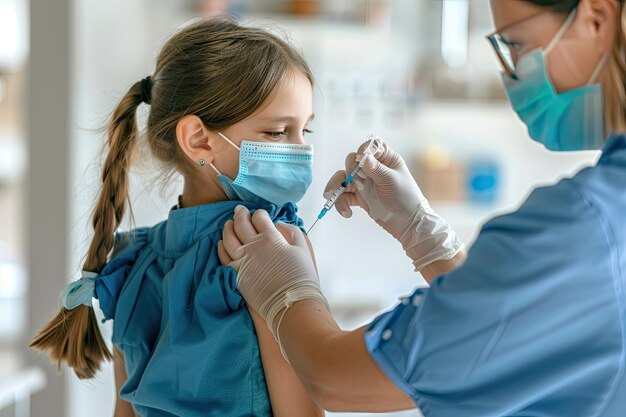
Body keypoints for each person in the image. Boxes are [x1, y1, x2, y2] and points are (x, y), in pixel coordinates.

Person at [219, 0, 626, 415]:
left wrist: (288, 294)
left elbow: (338, 381)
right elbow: (513, 330)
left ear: (597, 18)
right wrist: (422, 233)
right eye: (275, 132)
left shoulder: (589, 225)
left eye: (516, 44)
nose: (511, 74)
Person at [29, 17, 324, 417]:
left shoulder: (132, 261)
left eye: (305, 130)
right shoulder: (270, 249)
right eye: (277, 133)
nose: (301, 151)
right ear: (199, 139)